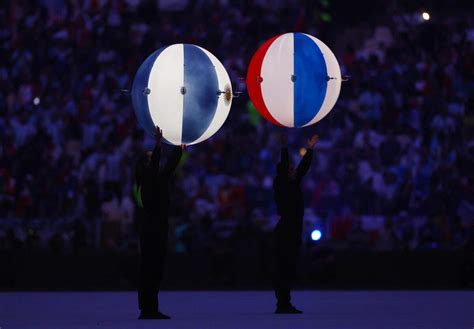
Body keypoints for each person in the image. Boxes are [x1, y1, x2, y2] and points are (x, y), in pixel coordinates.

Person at [134, 126, 184, 320]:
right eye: (151, 157)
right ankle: (147, 308)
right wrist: (157, 145)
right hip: (152, 226)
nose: (156, 158)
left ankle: (150, 307)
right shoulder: (147, 178)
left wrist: (180, 147)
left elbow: (170, 166)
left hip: (159, 225)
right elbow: (156, 166)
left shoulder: (158, 177)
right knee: (150, 267)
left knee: (156, 268)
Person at [273, 133, 318, 314]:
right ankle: (282, 303)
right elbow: (287, 167)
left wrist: (310, 149)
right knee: (284, 267)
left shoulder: (293, 183)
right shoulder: (281, 183)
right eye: (290, 169)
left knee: (289, 267)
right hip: (286, 230)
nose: (293, 170)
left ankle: (284, 302)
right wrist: (284, 148)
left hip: (293, 229)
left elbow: (303, 168)